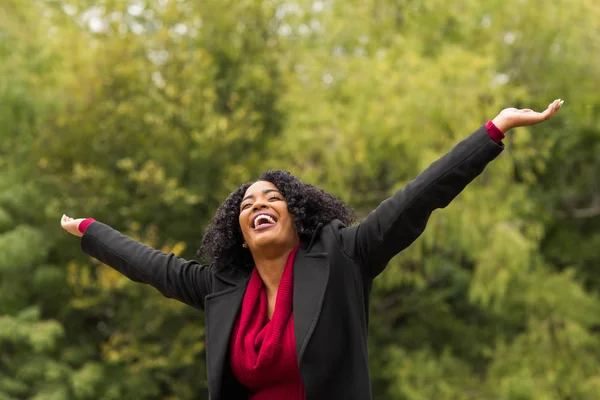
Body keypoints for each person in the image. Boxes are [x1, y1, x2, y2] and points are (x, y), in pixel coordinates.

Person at [61, 99, 564, 400]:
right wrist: (90, 229)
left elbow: (416, 199)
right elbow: (153, 266)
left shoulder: (345, 255)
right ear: (238, 228)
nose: (257, 204)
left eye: (273, 198)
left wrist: (493, 131)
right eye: (246, 203)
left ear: (297, 213)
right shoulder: (222, 286)